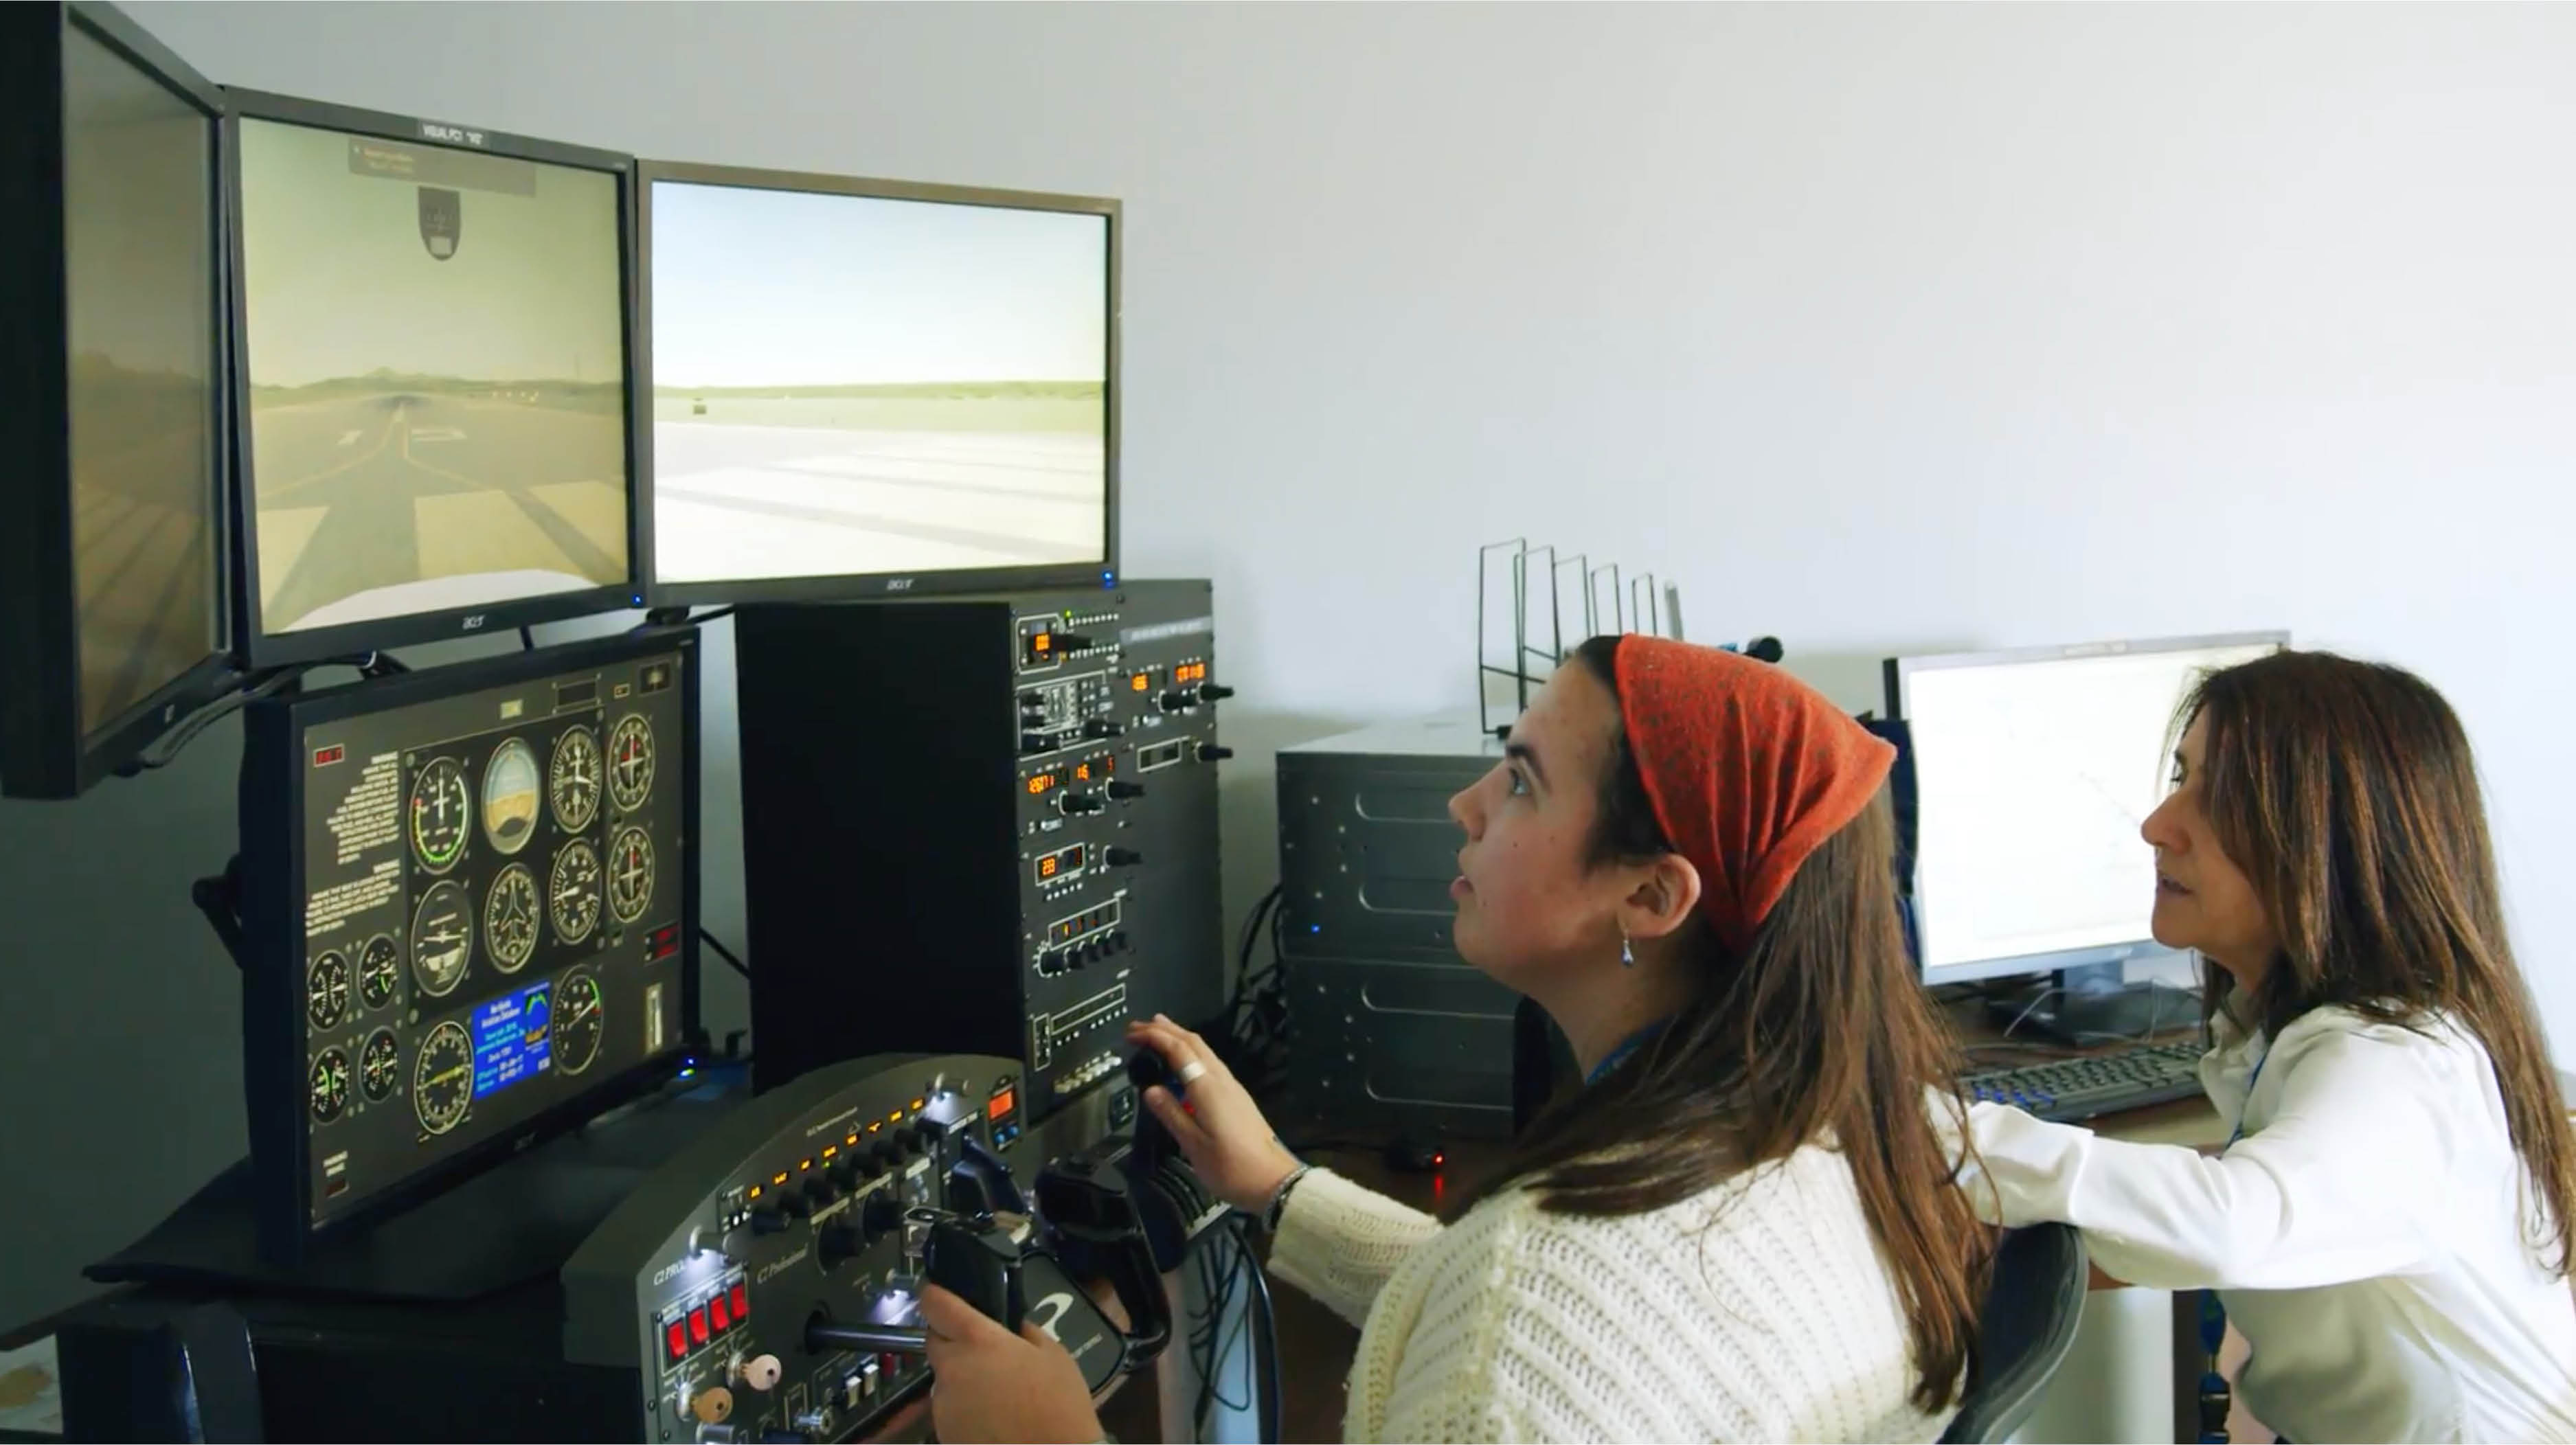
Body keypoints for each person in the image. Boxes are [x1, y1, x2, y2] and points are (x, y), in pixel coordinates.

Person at [918, 633, 1996, 1442]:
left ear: (1651, 896)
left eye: (1520, 780)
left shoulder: (1520, 1331)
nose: (1465, 804)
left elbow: (1525, 1337)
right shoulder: (1835, 1136)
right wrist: (1282, 1190)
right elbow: (1576, 1329)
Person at [1953, 650, 2576, 1442]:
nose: (2157, 825)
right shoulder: (2284, 1036)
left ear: (2339, 841)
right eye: (2181, 778)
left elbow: (2232, 1226)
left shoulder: (2396, 1061)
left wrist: (1933, 1135)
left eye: (2219, 798)